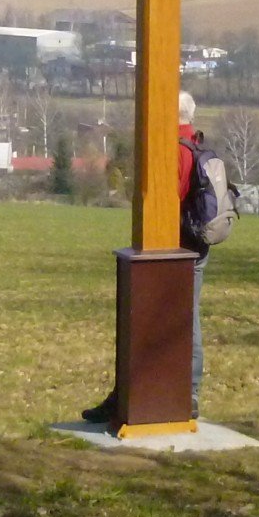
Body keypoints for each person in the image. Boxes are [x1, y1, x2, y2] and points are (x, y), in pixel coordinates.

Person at [82, 91, 210, 426]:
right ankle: (134, 396)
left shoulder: (175, 152)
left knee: (184, 320)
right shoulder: (196, 146)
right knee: (182, 317)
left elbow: (168, 200)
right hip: (194, 247)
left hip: (177, 248)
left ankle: (183, 394)